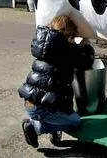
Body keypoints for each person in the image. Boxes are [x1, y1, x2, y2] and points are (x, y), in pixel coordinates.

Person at [18, 15, 95, 148]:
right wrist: (86, 46)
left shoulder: (44, 45)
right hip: (41, 108)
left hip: (30, 101)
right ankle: (34, 127)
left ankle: (52, 129)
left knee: (59, 105)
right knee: (74, 121)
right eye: (73, 35)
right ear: (69, 34)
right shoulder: (66, 49)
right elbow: (86, 62)